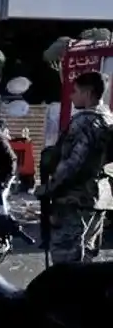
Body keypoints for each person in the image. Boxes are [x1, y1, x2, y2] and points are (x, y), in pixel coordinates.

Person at [37, 71, 113, 263]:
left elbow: (73, 164)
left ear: (88, 94)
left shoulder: (83, 122)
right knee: (86, 261)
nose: (71, 96)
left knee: (67, 264)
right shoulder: (108, 119)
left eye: (75, 91)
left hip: (74, 201)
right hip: (100, 198)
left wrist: (49, 188)